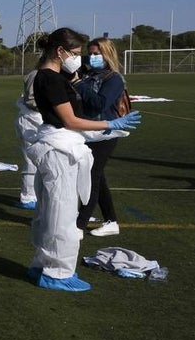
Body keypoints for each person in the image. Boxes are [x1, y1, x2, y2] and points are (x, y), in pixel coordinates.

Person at [27, 28, 142, 292]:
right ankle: (57, 272)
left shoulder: (52, 76)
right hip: (60, 152)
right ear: (60, 51)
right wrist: (109, 123)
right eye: (76, 53)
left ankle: (41, 265)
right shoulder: (51, 80)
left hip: (58, 145)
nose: (79, 58)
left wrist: (105, 128)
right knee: (63, 215)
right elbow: (70, 121)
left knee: (50, 212)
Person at [75, 37, 128, 237]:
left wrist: (78, 84)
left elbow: (100, 104)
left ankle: (79, 224)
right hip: (88, 131)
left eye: (97, 54)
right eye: (91, 53)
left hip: (105, 133)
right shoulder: (89, 75)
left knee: (91, 176)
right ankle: (111, 221)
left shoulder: (114, 79)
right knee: (98, 177)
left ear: (107, 54)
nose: (93, 57)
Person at [14, 68, 42, 209]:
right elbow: (31, 100)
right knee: (31, 160)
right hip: (31, 121)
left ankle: (39, 194)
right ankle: (28, 196)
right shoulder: (36, 74)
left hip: (45, 121)